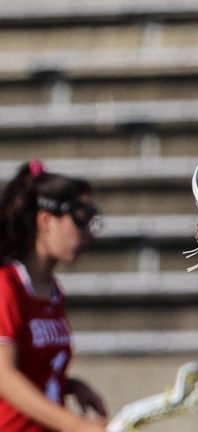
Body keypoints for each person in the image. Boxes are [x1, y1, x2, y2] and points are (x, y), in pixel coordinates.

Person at [0, 160, 107, 432]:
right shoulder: (6, 285)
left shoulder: (52, 291)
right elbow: (4, 376)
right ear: (46, 221)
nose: (87, 234)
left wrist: (69, 384)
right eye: (79, 218)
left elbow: (31, 368)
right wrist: (75, 424)